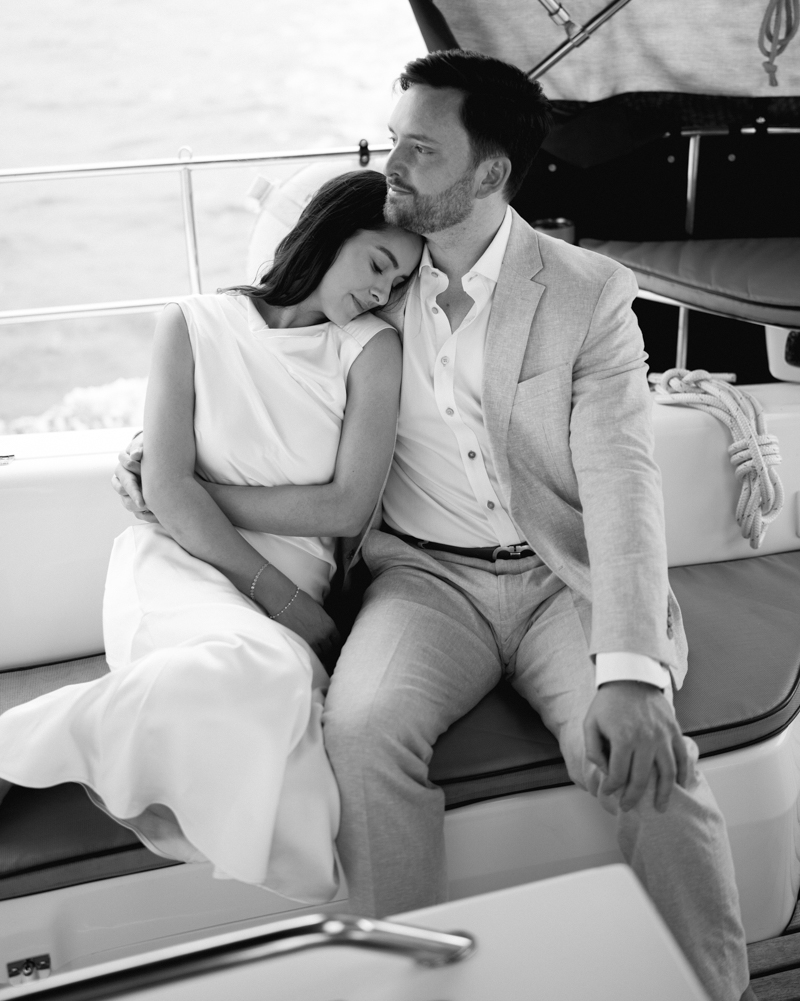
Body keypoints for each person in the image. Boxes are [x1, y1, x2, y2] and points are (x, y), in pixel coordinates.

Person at [114, 52, 755, 1001]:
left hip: (561, 578)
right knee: (362, 732)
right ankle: (409, 990)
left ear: (488, 173)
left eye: (420, 149)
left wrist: (631, 672)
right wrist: (160, 466)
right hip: (422, 580)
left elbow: (622, 482)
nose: (393, 166)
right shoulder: (371, 273)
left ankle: (716, 989)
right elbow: (261, 357)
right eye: (393, 141)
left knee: (637, 751)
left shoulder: (588, 292)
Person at [0, 170, 422, 904]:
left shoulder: (371, 349)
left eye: (400, 282)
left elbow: (345, 508)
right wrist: (281, 599)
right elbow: (166, 494)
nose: (383, 291)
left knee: (266, 677)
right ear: (330, 231)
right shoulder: (191, 323)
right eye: (379, 263)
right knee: (258, 669)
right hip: (177, 566)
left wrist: (189, 493)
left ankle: (20, 744)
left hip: (268, 578)